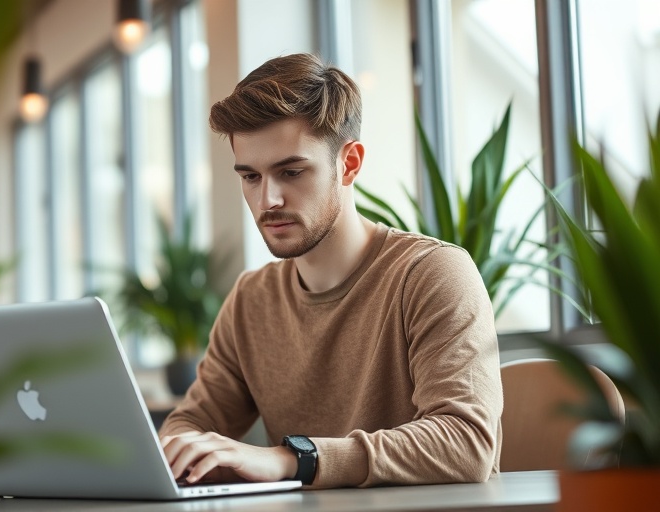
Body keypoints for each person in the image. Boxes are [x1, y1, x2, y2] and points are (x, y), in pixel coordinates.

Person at [158, 53, 502, 489]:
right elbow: (191, 422)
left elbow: (466, 444)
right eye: (250, 177)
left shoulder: (433, 274)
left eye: (291, 171)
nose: (268, 201)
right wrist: (186, 451)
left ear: (350, 163)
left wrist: (293, 460)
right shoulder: (251, 300)